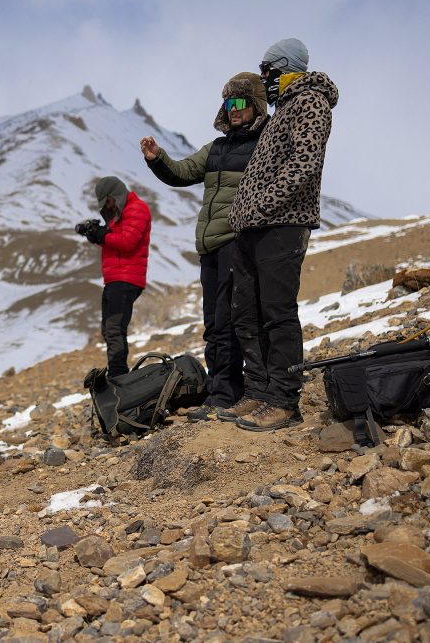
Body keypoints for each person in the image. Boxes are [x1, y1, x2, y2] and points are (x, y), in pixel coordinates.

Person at [218, 37, 338, 431]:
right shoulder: (284, 106)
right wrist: (245, 214)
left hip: (282, 225)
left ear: (287, 68)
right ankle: (258, 391)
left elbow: (304, 162)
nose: (264, 78)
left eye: (268, 70)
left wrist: (262, 205)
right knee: (247, 313)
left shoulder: (309, 102)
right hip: (254, 227)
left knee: (277, 313)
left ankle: (284, 401)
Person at [140, 72, 269, 422]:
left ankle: (228, 394)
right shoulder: (217, 147)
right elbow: (182, 172)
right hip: (210, 247)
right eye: (228, 103)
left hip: (236, 243)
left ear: (255, 104)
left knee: (230, 321)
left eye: (240, 102)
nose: (233, 109)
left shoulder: (265, 144)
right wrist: (157, 158)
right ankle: (220, 391)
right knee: (213, 322)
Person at [79, 176, 152, 377]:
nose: (108, 206)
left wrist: (102, 234)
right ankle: (118, 373)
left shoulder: (137, 208)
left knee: (114, 328)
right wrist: (96, 235)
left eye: (108, 201)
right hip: (115, 278)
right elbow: (115, 241)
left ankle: (119, 375)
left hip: (126, 278)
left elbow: (127, 242)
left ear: (115, 195)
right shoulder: (119, 213)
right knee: (109, 329)